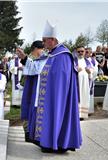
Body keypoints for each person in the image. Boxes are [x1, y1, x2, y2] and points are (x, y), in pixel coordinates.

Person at [19, 20, 82, 152]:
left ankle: (57, 143)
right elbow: (37, 68)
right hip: (46, 92)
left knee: (56, 114)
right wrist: (25, 58)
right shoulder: (51, 53)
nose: (43, 43)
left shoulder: (63, 55)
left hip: (56, 95)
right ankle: (46, 142)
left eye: (44, 40)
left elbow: (61, 79)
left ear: (52, 39)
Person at [17, 40, 47, 142]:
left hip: (37, 89)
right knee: (28, 107)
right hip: (30, 87)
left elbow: (36, 69)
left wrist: (24, 58)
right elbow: (33, 68)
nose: (43, 51)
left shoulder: (43, 58)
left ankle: (31, 132)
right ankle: (28, 132)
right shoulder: (35, 58)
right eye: (42, 48)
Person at [74, 46, 93, 120]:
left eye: (82, 51)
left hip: (85, 82)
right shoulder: (73, 61)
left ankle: (82, 114)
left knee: (84, 96)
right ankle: (76, 114)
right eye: (78, 51)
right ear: (76, 52)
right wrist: (75, 71)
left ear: (85, 52)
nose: (80, 53)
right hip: (76, 82)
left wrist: (90, 72)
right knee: (77, 97)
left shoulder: (88, 61)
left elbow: (92, 72)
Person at [85, 47, 98, 114]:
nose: (86, 53)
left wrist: (90, 72)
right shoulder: (81, 59)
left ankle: (89, 110)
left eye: (88, 52)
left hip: (90, 79)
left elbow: (96, 70)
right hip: (83, 80)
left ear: (91, 53)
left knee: (90, 95)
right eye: (85, 51)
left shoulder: (93, 60)